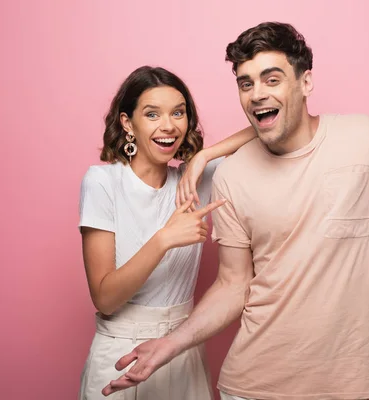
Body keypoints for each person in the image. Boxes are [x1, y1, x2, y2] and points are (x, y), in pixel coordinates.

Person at [102, 22, 369, 400]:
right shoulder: (232, 176)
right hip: (251, 387)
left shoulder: (363, 139)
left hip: (355, 385)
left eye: (272, 79)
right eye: (246, 83)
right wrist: (169, 344)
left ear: (306, 81)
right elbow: (232, 284)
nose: (257, 93)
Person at [77, 65, 255, 400]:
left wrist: (206, 156)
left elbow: (266, 127)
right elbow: (105, 298)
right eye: (152, 114)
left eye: (178, 113)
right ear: (127, 123)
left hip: (181, 349)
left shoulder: (192, 180)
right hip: (121, 355)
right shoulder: (103, 182)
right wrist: (164, 239)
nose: (169, 126)